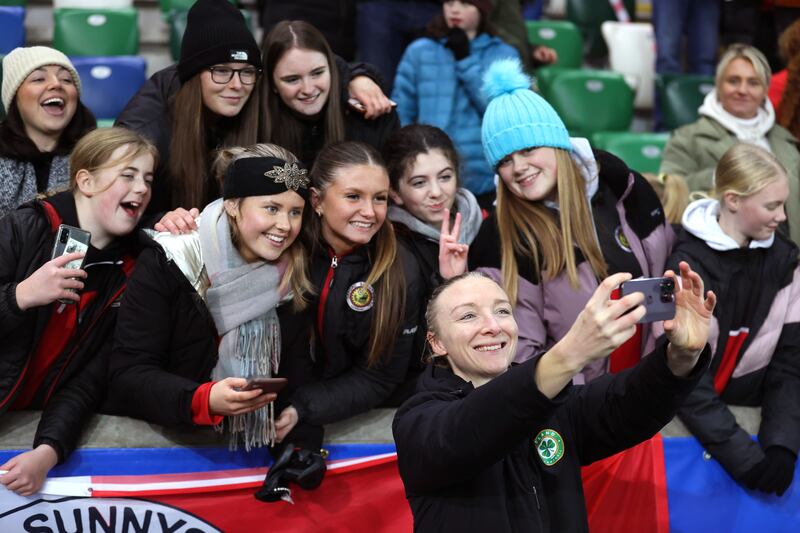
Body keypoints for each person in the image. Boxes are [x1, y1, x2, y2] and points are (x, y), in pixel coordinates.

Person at [393, 267, 715, 531]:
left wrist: (682, 356)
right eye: (468, 317)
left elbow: (629, 402)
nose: (493, 326)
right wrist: (569, 354)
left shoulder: (556, 404)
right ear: (436, 343)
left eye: (503, 311)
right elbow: (472, 428)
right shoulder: (418, 421)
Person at [468, 59, 674, 381]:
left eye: (529, 149)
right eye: (505, 161)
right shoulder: (501, 236)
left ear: (557, 143)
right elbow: (520, 353)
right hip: (575, 411)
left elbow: (667, 278)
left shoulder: (625, 189)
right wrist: (583, 405)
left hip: (646, 392)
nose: (519, 167)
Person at [107, 144, 311, 453]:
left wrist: (296, 414)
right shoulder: (173, 258)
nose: (285, 225)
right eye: (272, 208)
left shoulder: (292, 275)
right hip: (159, 453)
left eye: (295, 212)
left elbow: (294, 377)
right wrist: (202, 399)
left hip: (248, 455)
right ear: (232, 206)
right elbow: (127, 374)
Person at [0, 127, 156, 496]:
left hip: (35, 423)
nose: (143, 189)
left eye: (149, 179)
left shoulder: (132, 268)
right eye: (128, 175)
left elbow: (89, 379)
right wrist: (20, 296)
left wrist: (48, 450)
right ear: (85, 181)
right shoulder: (26, 227)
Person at [667, 143, 800, 497]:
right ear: (733, 200)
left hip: (757, 412)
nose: (783, 216)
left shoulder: (786, 261)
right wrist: (744, 459)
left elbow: (790, 363)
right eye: (772, 205)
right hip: (687, 423)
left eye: (784, 203)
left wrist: (782, 446)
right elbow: (682, 377)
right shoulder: (685, 265)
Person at [273, 141, 425, 449]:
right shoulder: (282, 245)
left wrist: (305, 407)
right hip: (274, 409)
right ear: (316, 200)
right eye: (353, 196)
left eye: (380, 199)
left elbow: (381, 377)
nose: (369, 212)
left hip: (353, 417)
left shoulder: (401, 270)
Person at [660, 43, 800, 246]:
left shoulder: (785, 139)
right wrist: (720, 177)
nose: (743, 90)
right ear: (718, 85)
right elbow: (669, 195)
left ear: (765, 90)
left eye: (753, 83)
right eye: (733, 81)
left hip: (790, 258)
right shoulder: (687, 138)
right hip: (721, 259)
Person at [392, 0, 519, 205]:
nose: (455, 9)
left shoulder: (502, 54)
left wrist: (465, 60)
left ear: (482, 9)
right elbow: (401, 111)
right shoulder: (419, 51)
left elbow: (502, 114)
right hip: (428, 180)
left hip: (484, 180)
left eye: (465, 3)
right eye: (449, 2)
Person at [260, 20, 399, 169]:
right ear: (272, 84)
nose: (308, 89)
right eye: (292, 79)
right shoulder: (256, 118)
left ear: (331, 69)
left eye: (317, 73)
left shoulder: (373, 114)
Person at [383, 124, 483, 298]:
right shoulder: (392, 248)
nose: (436, 192)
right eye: (419, 183)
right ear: (395, 193)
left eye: (445, 177)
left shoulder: (486, 224)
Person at [0, 46, 96, 217]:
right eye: (38, 79)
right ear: (15, 97)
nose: (56, 84)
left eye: (66, 80)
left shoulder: (98, 158)